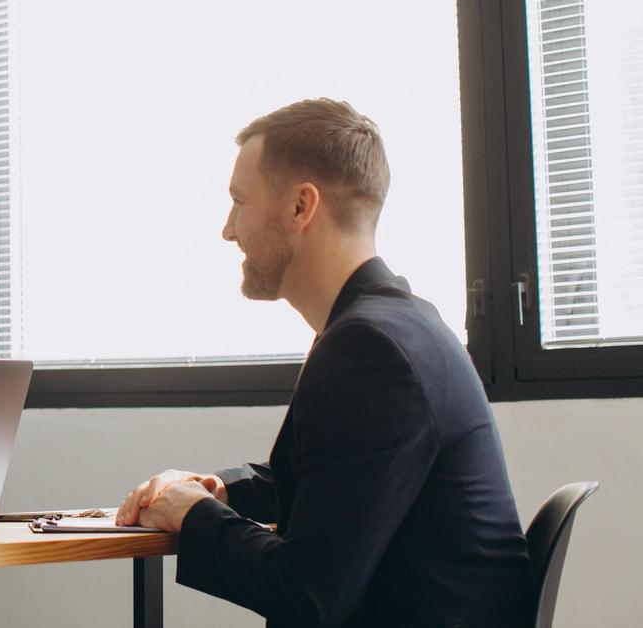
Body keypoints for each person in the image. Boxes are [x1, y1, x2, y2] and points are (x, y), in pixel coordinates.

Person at [114, 99, 532, 627]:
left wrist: (194, 515)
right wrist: (220, 489)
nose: (227, 229)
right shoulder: (396, 325)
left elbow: (304, 595)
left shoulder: (371, 350)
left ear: (300, 207)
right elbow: (340, 478)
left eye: (239, 202)